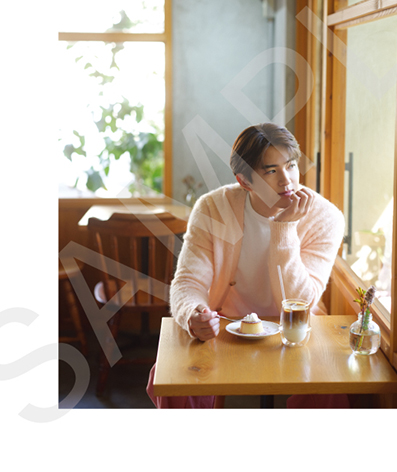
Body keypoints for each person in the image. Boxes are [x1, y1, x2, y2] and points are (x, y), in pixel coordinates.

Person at [146, 123, 346, 408]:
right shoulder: (212, 208)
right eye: (271, 171)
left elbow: (302, 301)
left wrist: (284, 229)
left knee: (330, 387)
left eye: (290, 166)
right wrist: (194, 314)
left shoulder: (325, 218)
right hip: (227, 327)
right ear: (244, 181)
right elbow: (188, 282)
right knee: (171, 376)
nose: (287, 181)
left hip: (297, 332)